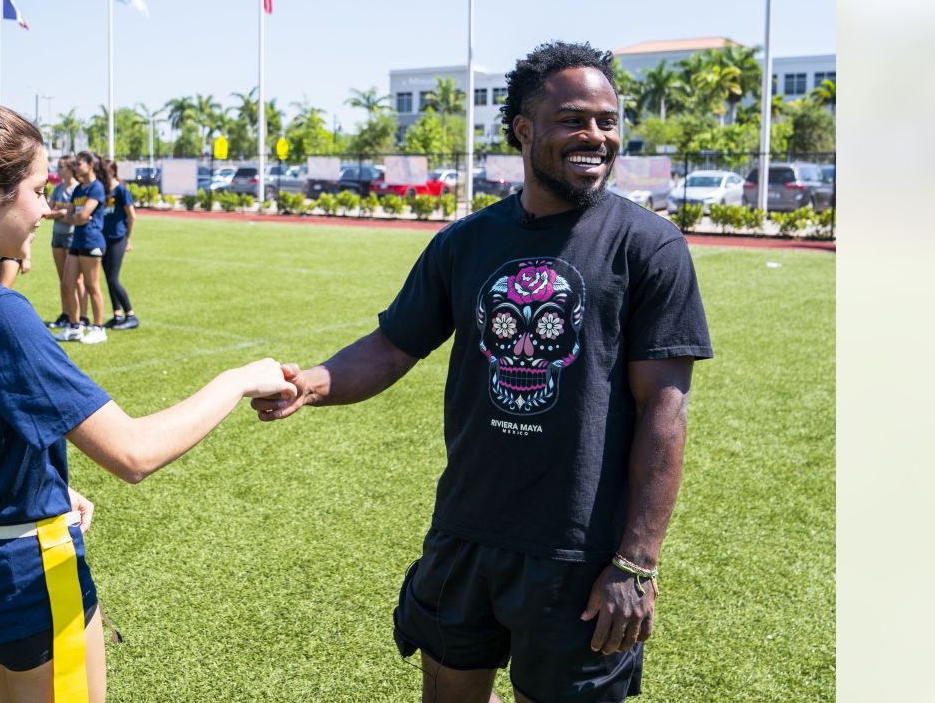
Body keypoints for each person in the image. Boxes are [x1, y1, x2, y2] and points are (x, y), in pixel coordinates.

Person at [251, 41, 712, 703]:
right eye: (573, 120)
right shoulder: (466, 243)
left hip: (578, 554)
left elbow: (665, 410)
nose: (597, 136)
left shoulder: (648, 246)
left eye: (608, 120)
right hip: (466, 531)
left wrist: (636, 561)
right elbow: (391, 346)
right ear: (524, 130)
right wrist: (311, 384)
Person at [0, 89, 295, 703]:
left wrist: (42, 486)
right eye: (39, 191)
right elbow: (133, 453)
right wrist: (239, 379)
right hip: (21, 576)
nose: (48, 208)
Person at [54, 152, 110, 344]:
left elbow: (82, 215)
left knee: (92, 286)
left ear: (90, 165)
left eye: (79, 164)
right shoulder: (79, 189)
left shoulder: (96, 188)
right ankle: (75, 326)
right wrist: (77, 218)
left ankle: (99, 328)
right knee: (67, 284)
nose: (75, 167)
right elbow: (72, 216)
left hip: (91, 241)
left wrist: (76, 217)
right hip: (77, 241)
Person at [99, 159, 138, 330]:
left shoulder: (121, 190)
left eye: (105, 172)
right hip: (103, 239)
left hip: (118, 239)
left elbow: (132, 216)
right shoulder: (102, 190)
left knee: (113, 278)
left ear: (113, 172)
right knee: (108, 278)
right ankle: (117, 315)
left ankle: (131, 315)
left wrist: (127, 239)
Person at [44, 155, 78, 326]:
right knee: (62, 280)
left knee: (74, 281)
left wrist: (60, 214)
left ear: (70, 169)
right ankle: (65, 315)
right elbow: (47, 212)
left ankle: (78, 317)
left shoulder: (77, 189)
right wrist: (62, 214)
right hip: (57, 235)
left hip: (72, 237)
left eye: (61, 167)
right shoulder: (58, 189)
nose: (58, 170)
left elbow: (76, 216)